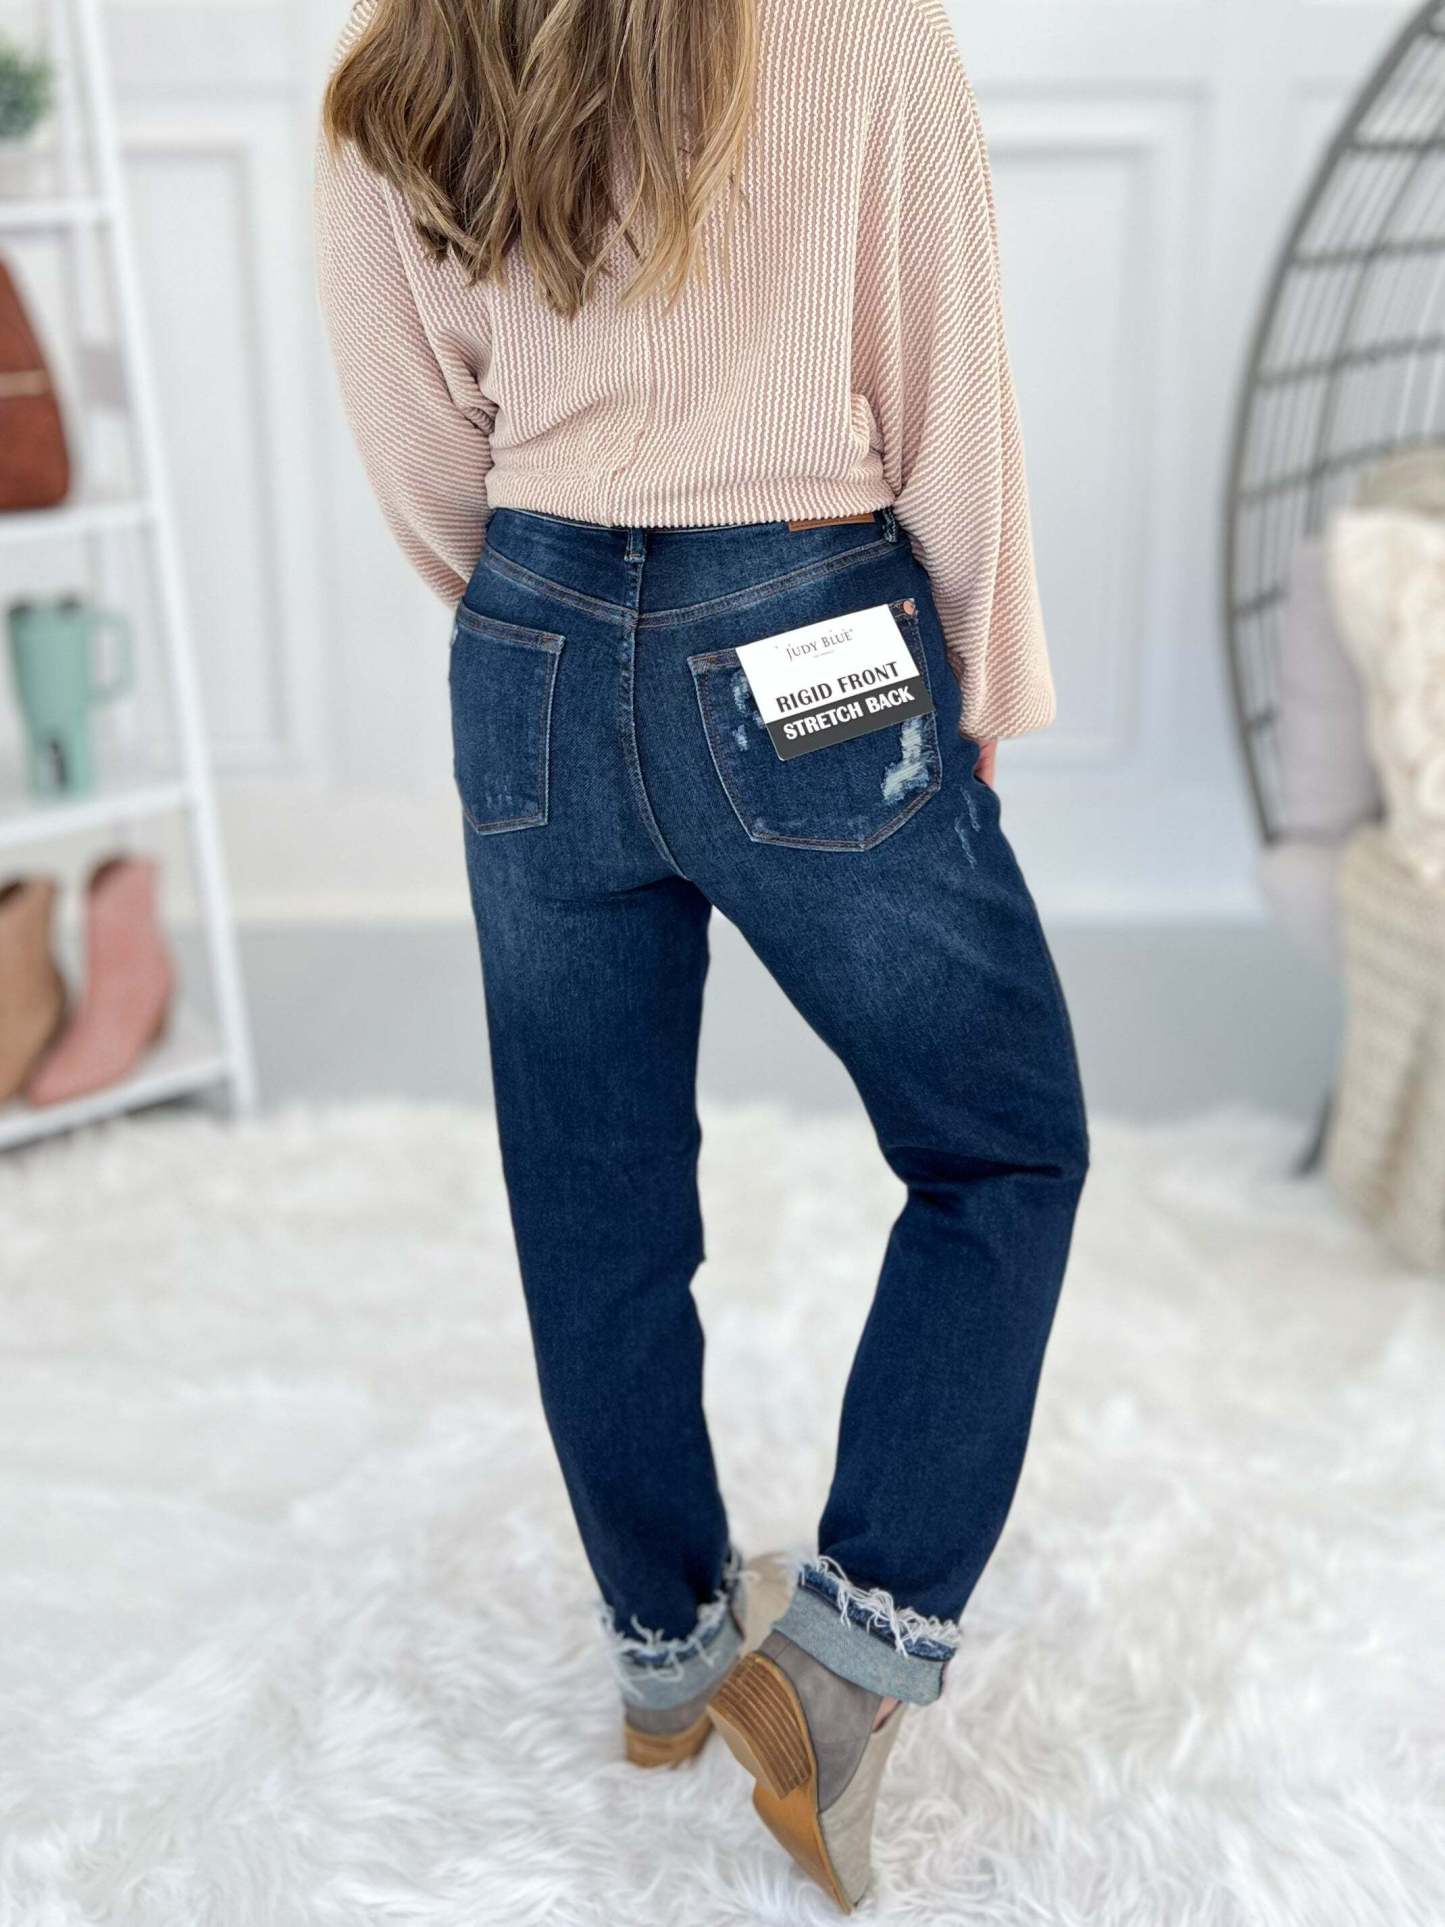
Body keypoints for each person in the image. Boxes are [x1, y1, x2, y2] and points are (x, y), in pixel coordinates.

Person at [314, 0, 1089, 1907]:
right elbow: (946, 383)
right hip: (806, 618)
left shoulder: (404, 50)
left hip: (530, 629)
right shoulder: (868, 29)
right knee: (999, 1143)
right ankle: (838, 1660)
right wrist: (975, 672)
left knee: (588, 1188)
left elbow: (417, 453)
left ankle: (665, 1652)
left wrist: (556, 628)